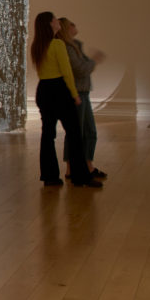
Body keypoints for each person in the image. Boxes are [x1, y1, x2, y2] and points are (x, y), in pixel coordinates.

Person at [31, 11, 100, 188]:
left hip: (43, 91)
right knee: (75, 133)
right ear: (50, 24)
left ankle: (49, 176)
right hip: (59, 91)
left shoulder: (37, 46)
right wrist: (74, 94)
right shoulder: (57, 44)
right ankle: (80, 177)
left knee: (48, 134)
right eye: (54, 19)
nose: (57, 21)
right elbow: (67, 72)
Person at [58, 18, 107, 180]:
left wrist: (91, 62)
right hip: (76, 93)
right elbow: (80, 69)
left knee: (88, 131)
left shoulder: (75, 45)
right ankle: (72, 168)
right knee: (77, 131)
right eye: (71, 24)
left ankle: (86, 165)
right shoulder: (66, 47)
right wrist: (94, 61)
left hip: (82, 93)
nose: (75, 26)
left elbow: (83, 67)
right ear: (66, 28)